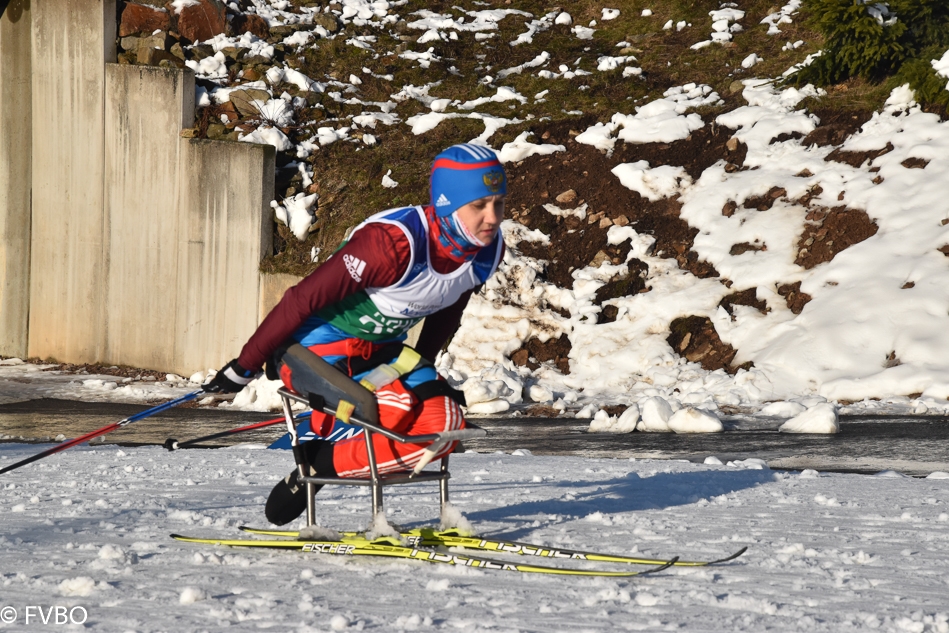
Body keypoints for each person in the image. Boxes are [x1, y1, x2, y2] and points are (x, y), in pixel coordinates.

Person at [203, 143, 507, 525]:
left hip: (379, 355)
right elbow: (301, 300)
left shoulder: (487, 251)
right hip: (312, 352)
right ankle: (325, 442)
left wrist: (425, 367)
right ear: (446, 203)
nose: (492, 217)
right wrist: (243, 366)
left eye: (498, 203)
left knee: (444, 425)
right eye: (479, 205)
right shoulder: (391, 246)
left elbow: (450, 301)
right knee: (390, 409)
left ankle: (317, 466)